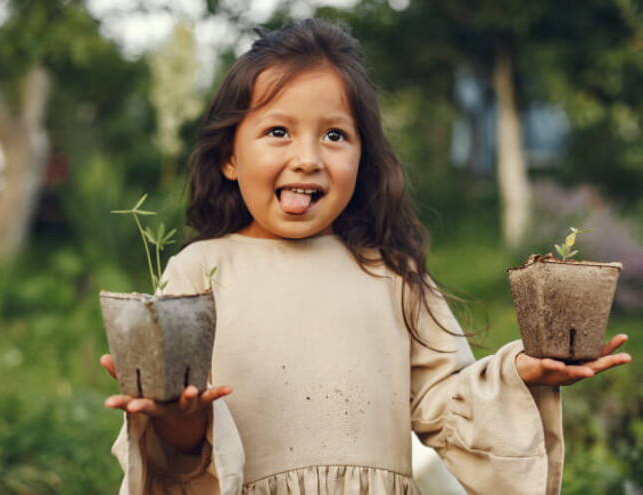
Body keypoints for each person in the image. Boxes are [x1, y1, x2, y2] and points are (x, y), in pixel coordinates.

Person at [101, 18, 631, 495]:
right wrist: (177, 415)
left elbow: (446, 404)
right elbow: (183, 449)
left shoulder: (391, 275)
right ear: (230, 158)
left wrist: (522, 372)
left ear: (363, 157)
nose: (307, 158)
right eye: (278, 132)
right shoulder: (200, 272)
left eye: (334, 134)